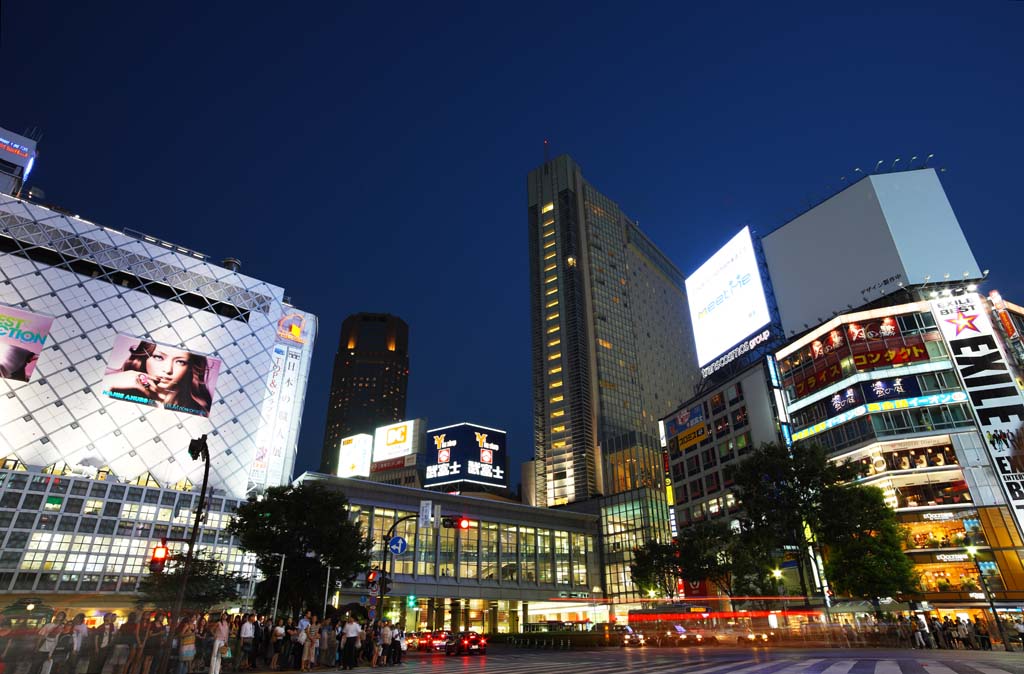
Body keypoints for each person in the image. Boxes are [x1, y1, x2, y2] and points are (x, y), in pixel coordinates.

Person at [103, 340, 214, 416]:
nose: (168, 370)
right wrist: (110, 383)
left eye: (180, 362)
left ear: (190, 367)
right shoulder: (117, 388)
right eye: (158, 357)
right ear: (145, 359)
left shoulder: (199, 410)